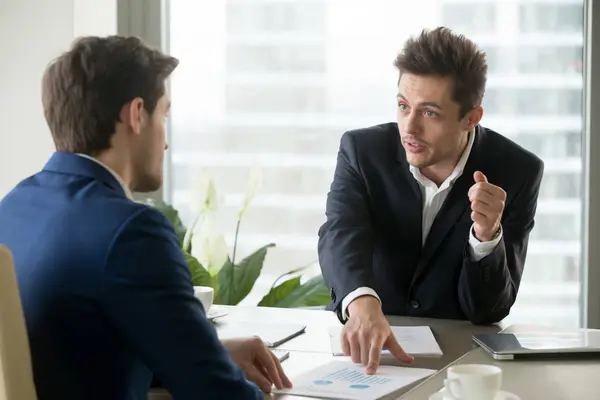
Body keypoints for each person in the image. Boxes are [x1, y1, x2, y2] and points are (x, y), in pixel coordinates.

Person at [0, 35, 291, 399]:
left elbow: (71, 358)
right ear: (137, 114)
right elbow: (216, 394)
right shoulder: (132, 232)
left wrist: (213, 354)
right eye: (164, 115)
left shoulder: (11, 208)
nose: (166, 141)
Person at [318, 27, 544, 374]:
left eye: (429, 113)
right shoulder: (362, 152)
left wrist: (486, 237)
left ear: (471, 118)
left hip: (461, 367)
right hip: (366, 357)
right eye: (403, 106)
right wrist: (361, 302)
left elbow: (488, 311)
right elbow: (340, 233)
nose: (409, 128)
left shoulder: (517, 171)